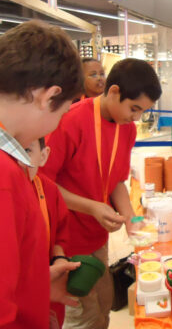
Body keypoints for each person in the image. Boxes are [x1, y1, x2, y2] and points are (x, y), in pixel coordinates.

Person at [42, 58, 162, 329]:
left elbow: (117, 180)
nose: (136, 118)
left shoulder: (127, 129)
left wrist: (132, 222)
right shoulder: (70, 120)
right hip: (65, 242)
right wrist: (92, 207)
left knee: (103, 307)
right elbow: (43, 184)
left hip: (96, 237)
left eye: (143, 111)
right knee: (81, 315)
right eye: (134, 108)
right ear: (114, 91)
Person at [0, 20, 82, 328]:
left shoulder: (14, 167)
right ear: (48, 97)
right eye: (62, 113)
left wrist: (36, 284)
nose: (59, 123)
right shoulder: (4, 177)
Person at [23, 138, 70, 328]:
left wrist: (59, 259)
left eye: (25, 150)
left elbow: (60, 233)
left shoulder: (49, 190)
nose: (13, 159)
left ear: (43, 156)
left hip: (49, 292)